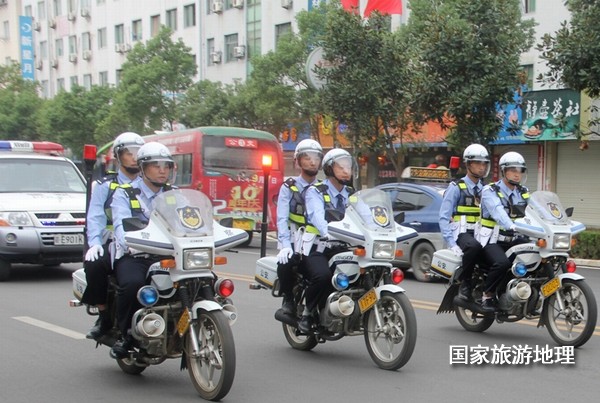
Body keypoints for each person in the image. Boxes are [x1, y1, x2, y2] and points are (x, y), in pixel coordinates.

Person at [109, 142, 175, 358]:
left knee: (206, 279)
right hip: (136, 254)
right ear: (143, 167)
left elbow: (191, 221)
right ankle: (125, 335)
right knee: (132, 285)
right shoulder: (125, 193)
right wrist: (129, 242)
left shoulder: (175, 194)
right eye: (156, 165)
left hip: (168, 254)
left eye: (166, 165)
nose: (162, 170)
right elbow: (120, 226)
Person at [80, 132, 145, 340]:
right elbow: (95, 217)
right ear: (118, 157)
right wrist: (95, 243)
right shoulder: (105, 186)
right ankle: (104, 315)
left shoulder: (150, 184)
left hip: (148, 242)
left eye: (138, 153)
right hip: (110, 241)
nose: (134, 157)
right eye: (129, 153)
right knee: (96, 264)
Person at [299, 148, 355, 333]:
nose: (346, 170)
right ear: (330, 169)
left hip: (343, 246)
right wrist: (329, 232)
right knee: (322, 276)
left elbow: (366, 215)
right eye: (342, 167)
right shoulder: (315, 191)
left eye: (349, 166)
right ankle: (307, 313)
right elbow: (316, 216)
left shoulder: (351, 193)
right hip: (317, 245)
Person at [276, 139, 323, 315]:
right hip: (296, 240)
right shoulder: (289, 187)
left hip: (320, 241)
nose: (312, 161)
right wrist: (286, 245)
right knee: (286, 263)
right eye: (307, 158)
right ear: (298, 161)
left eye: (316, 158)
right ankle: (288, 297)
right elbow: (281, 219)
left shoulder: (324, 188)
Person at [478, 151, 529, 312]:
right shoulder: (490, 191)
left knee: (537, 256)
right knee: (502, 263)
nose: (516, 174)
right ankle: (487, 295)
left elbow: (537, 210)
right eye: (512, 170)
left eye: (519, 170)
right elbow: (498, 212)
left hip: (514, 238)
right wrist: (512, 225)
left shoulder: (523, 191)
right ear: (503, 171)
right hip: (491, 240)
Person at [439, 144, 490, 302]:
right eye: (477, 163)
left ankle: (490, 290)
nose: (482, 167)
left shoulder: (486, 189)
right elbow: (443, 216)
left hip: (481, 232)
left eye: (484, 164)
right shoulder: (456, 187)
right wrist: (451, 242)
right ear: (468, 164)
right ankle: (464, 284)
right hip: (461, 233)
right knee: (474, 246)